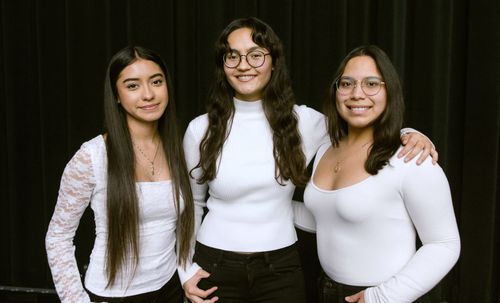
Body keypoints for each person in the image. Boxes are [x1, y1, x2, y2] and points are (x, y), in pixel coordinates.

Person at [180, 18, 437, 303]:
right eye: (233, 56)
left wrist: (409, 133)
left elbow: (361, 123)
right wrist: (184, 269)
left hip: (280, 268)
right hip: (213, 267)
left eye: (256, 55)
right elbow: (192, 204)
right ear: (223, 64)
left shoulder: (305, 122)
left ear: (273, 62)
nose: (244, 65)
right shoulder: (199, 129)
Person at [293, 45, 461, 302]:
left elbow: (444, 244)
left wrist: (381, 297)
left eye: (371, 84)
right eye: (347, 83)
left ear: (389, 91)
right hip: (326, 290)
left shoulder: (411, 159)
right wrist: (268, 208)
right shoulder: (326, 148)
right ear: (336, 91)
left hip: (385, 295)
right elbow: (329, 219)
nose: (357, 94)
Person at [45, 46, 195, 303]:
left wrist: (185, 274)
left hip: (170, 290)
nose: (148, 94)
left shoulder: (178, 148)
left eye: (156, 82)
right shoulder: (92, 156)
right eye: (133, 86)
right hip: (113, 295)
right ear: (116, 95)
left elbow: (183, 227)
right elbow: (58, 236)